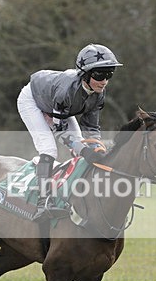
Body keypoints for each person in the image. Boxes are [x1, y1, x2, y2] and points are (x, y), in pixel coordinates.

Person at [17, 43, 123, 220]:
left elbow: (92, 129)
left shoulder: (99, 93)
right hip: (32, 101)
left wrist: (97, 149)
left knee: (81, 146)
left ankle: (76, 196)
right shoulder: (67, 92)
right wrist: (84, 151)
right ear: (85, 74)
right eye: (99, 74)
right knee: (49, 149)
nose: (104, 80)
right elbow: (59, 132)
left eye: (109, 73)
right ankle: (43, 203)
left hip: (58, 106)